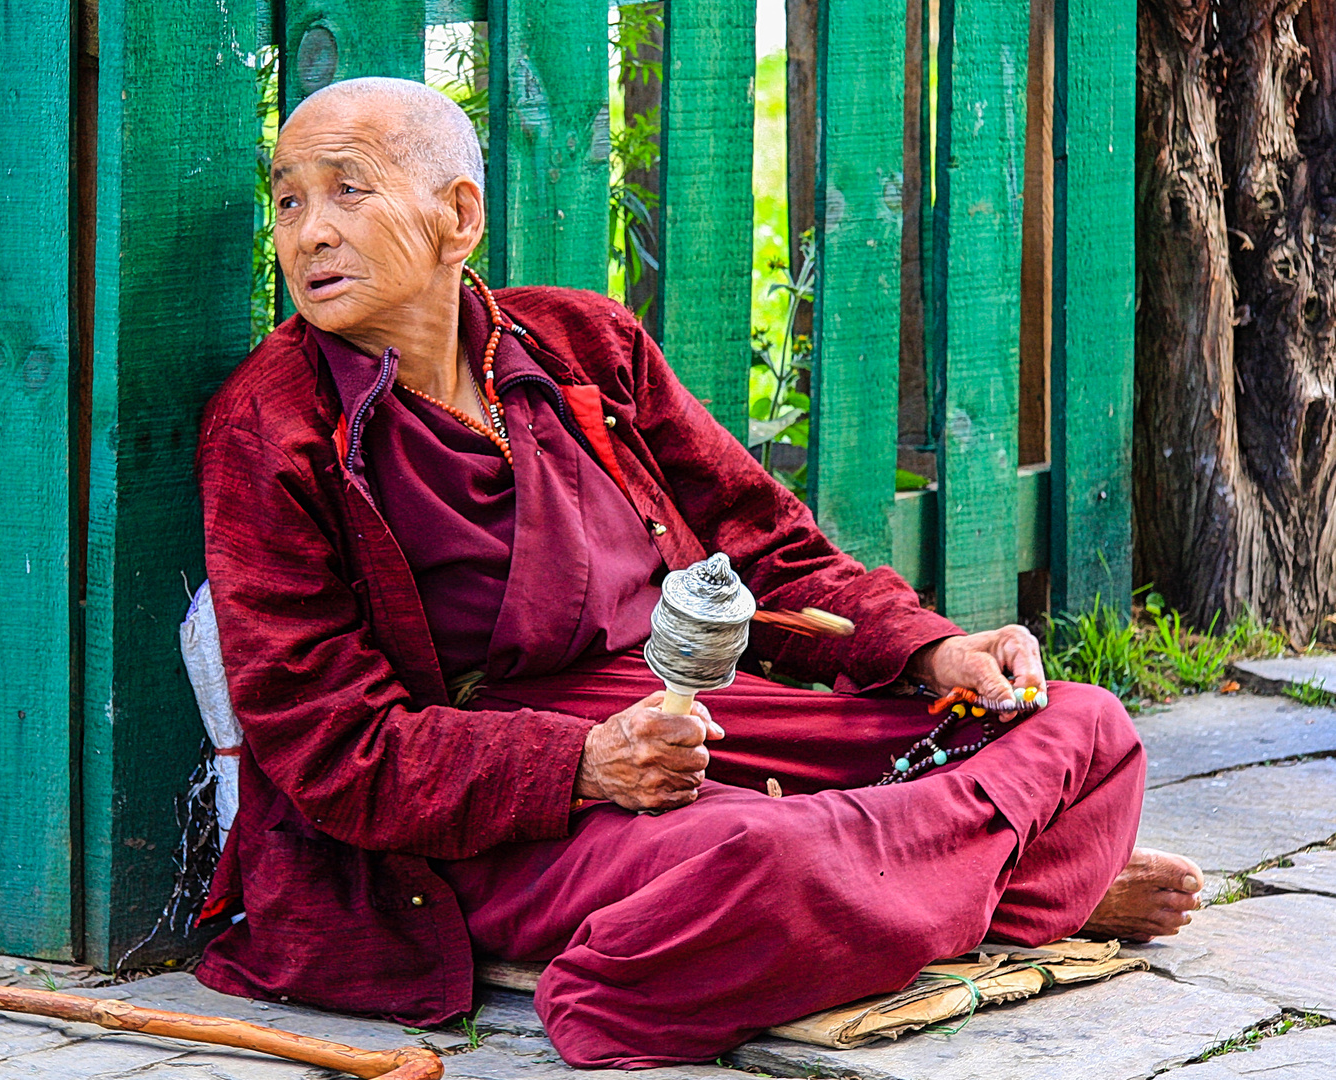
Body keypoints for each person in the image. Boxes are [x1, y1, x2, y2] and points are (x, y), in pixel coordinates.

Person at [191, 76, 1203, 1069]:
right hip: (504, 803)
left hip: (693, 720)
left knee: (1081, 725)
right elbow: (333, 746)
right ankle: (1013, 881)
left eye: (347, 190)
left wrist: (929, 649)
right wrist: (579, 763)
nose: (308, 232)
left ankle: (923, 898)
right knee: (765, 855)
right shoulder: (271, 429)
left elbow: (758, 542)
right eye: (287, 200)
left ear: (458, 216)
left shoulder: (583, 343)